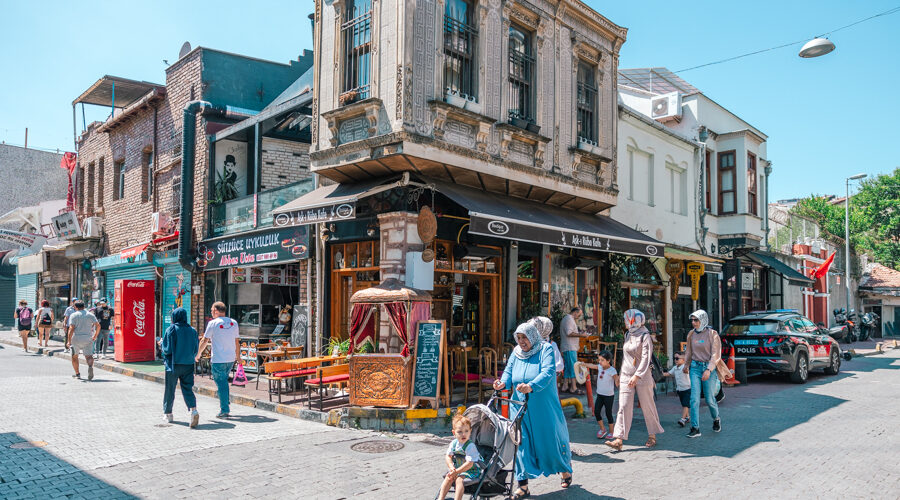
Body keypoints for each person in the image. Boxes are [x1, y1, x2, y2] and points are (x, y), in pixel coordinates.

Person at [492, 322, 573, 498]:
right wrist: (502, 382)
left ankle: (565, 470)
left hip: (543, 406)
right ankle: (523, 486)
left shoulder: (545, 349)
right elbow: (508, 371)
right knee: (521, 444)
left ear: (533, 335)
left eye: (524, 337)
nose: (521, 341)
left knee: (550, 442)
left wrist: (531, 386)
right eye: (518, 337)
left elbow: (548, 371)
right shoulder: (516, 352)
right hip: (519, 406)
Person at [605, 309, 664, 451]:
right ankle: (619, 438)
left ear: (634, 321)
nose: (625, 322)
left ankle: (652, 435)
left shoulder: (645, 336)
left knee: (647, 406)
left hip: (642, 376)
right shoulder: (627, 334)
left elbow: (646, 357)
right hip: (626, 374)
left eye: (627, 320)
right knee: (623, 406)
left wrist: (637, 375)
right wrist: (620, 375)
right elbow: (626, 358)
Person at [197, 301, 240, 418]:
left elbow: (204, 340)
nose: (211, 312)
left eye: (211, 310)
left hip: (218, 359)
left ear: (216, 311)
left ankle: (225, 409)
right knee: (223, 381)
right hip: (230, 358)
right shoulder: (234, 323)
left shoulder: (213, 323)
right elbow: (237, 341)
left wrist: (198, 354)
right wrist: (239, 357)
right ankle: (225, 400)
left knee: (221, 383)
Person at [684, 309, 722, 438]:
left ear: (703, 320)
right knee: (694, 399)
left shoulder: (712, 334)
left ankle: (716, 418)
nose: (694, 323)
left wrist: (709, 370)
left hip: (708, 368)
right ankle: (695, 428)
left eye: (696, 320)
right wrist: (686, 365)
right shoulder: (691, 334)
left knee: (709, 399)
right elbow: (688, 351)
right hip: (695, 367)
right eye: (692, 320)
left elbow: (716, 354)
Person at [160, 307, 200, 428]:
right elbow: (195, 349)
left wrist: (161, 344)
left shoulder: (171, 329)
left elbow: (167, 350)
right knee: (187, 388)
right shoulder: (192, 331)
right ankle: (193, 410)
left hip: (173, 365)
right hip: (188, 364)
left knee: (170, 389)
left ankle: (168, 414)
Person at [437, 414, 484, 500]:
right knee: (449, 477)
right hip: (458, 469)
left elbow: (469, 464)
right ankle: (441, 498)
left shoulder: (470, 446)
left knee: (459, 480)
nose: (463, 434)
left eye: (466, 431)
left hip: (471, 470)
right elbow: (448, 456)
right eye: (460, 432)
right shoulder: (454, 443)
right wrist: (452, 468)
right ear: (454, 433)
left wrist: (456, 472)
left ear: (470, 431)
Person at [584, 350, 618, 439]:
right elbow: (592, 366)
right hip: (600, 394)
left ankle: (611, 432)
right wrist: (583, 364)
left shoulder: (612, 370)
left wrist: (619, 382)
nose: (600, 362)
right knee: (596, 412)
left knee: (608, 413)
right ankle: (602, 429)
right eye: (599, 360)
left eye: (602, 360)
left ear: (608, 360)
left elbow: (617, 380)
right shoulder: (599, 367)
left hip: (609, 396)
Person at [66, 300, 100, 380]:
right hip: (88, 338)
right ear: (84, 306)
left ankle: (77, 374)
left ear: (75, 307)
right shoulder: (90, 315)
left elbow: (71, 328)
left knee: (74, 356)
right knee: (89, 356)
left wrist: (69, 341)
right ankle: (90, 366)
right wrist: (95, 336)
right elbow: (98, 326)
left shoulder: (74, 315)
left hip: (76, 339)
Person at [559, 306, 586, 394]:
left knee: (568, 367)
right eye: (579, 314)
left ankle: (565, 385)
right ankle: (573, 387)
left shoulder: (566, 319)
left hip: (567, 347)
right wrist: (581, 335)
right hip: (570, 347)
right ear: (575, 312)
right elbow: (569, 333)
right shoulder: (569, 319)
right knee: (573, 367)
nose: (579, 316)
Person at [664, 351, 691, 427]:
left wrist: (687, 369)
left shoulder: (685, 367)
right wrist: (660, 374)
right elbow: (669, 374)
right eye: (674, 358)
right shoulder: (675, 368)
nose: (675, 360)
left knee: (686, 404)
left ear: (683, 359)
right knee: (683, 404)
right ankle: (687, 417)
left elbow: (687, 371)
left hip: (687, 389)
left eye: (677, 358)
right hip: (679, 389)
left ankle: (682, 419)